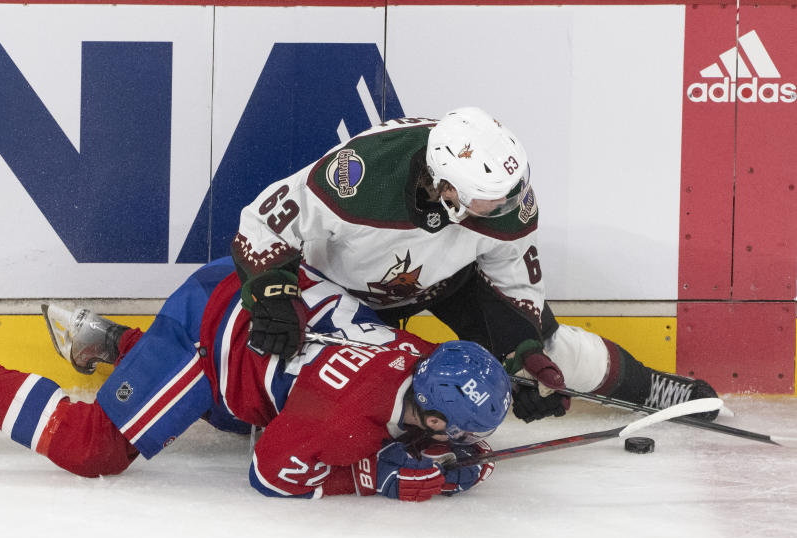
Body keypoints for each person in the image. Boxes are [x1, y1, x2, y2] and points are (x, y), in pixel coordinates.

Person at [0, 259, 510, 502]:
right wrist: (374, 478)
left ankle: (113, 342)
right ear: (428, 414)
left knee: (240, 408)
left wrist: (444, 450)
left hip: (254, 310)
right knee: (97, 448)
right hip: (209, 332)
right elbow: (270, 473)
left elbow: (393, 412)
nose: (450, 440)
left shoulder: (423, 356)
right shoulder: (339, 419)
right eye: (448, 431)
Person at [230, 107, 718, 423]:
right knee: (337, 384)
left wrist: (524, 353)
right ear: (445, 188)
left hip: (449, 282)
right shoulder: (360, 176)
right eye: (489, 200)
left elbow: (515, 284)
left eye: (511, 191)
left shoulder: (508, 202)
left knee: (551, 353)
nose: (508, 207)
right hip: (341, 291)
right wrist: (274, 293)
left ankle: (653, 388)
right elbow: (263, 223)